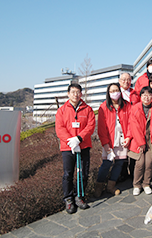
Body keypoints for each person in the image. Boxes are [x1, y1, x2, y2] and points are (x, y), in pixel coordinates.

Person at [55, 84, 96, 214]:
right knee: (68, 174)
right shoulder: (61, 110)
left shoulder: (88, 109)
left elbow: (90, 126)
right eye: (73, 92)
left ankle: (80, 196)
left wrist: (79, 138)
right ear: (68, 94)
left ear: (81, 94)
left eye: (78, 92)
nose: (75, 95)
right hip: (68, 148)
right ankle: (68, 199)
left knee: (83, 173)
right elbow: (59, 129)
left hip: (83, 145)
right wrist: (71, 141)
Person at [94, 83, 131, 197]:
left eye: (116, 90)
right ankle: (99, 186)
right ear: (108, 93)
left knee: (119, 163)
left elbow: (131, 123)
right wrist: (105, 143)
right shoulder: (103, 107)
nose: (115, 93)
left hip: (122, 139)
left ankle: (111, 186)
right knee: (106, 163)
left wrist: (128, 136)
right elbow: (101, 127)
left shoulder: (127, 105)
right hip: (110, 140)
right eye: (112, 91)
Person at [128, 86, 152, 196]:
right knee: (140, 163)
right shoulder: (135, 108)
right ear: (140, 96)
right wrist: (141, 143)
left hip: (151, 140)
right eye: (144, 95)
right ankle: (136, 185)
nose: (146, 97)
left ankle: (146, 184)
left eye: (149, 95)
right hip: (139, 141)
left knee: (149, 163)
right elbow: (134, 126)